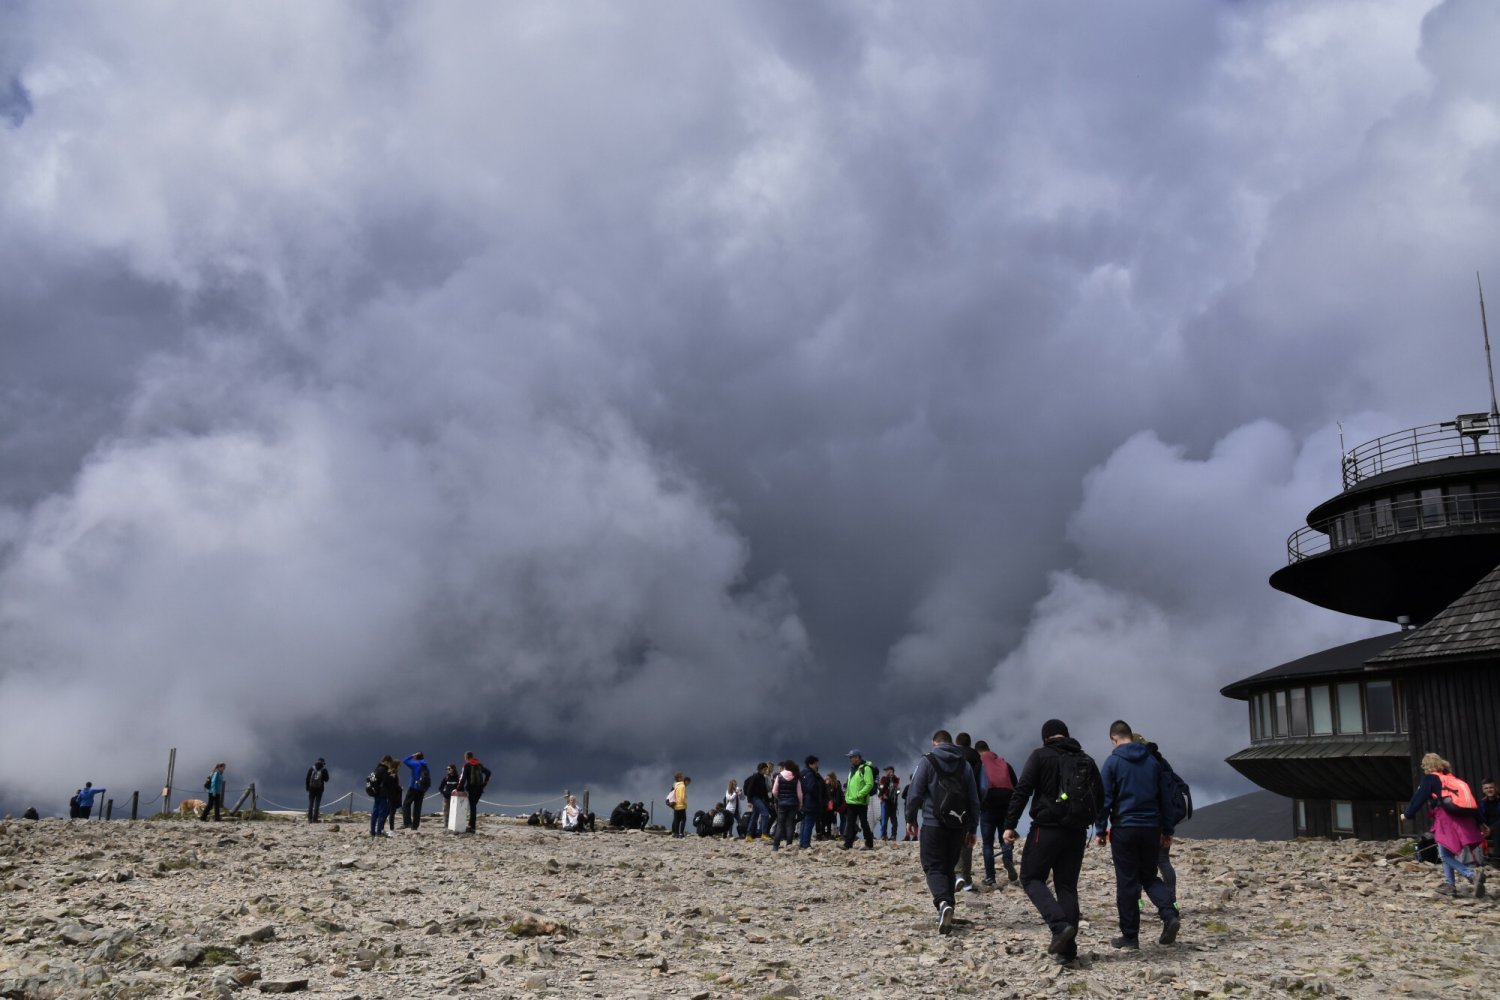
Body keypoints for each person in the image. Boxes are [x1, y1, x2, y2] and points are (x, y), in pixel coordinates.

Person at [1004, 719, 1103, 966]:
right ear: (1066, 735)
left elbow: (1023, 790)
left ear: (1045, 737)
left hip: (1046, 829)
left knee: (1030, 877)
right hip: (1078, 832)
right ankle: (1067, 952)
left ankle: (1060, 928)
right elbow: (1099, 796)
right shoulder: (1087, 760)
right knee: (1067, 886)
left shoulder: (1040, 756)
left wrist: (1010, 824)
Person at [1094, 720, 1180, 949]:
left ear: (1113, 738)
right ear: (1130, 736)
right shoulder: (1152, 762)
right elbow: (1166, 799)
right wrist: (1168, 830)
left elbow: (1105, 799)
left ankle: (1130, 936)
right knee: (1150, 876)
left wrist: (1100, 830)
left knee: (1127, 882)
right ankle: (1170, 913)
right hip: (1152, 827)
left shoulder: (1112, 762)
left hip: (1125, 828)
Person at [905, 730, 980, 935]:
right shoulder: (964, 765)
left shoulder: (927, 761)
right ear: (951, 743)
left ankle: (943, 903)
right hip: (958, 825)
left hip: (933, 823)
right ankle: (948, 911)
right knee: (948, 867)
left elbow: (915, 792)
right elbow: (974, 799)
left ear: (934, 743)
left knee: (933, 866)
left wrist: (910, 818)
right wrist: (972, 828)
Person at [1402, 753, 1486, 897]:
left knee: (1444, 854)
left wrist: (1407, 814)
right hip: (1463, 818)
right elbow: (1471, 802)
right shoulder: (1453, 779)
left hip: (1446, 819)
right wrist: (1481, 822)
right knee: (1446, 852)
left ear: (1427, 766)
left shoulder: (1430, 778)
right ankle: (1450, 885)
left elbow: (1419, 797)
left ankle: (1471, 874)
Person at [975, 739, 1018, 885]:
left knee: (987, 843)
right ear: (989, 749)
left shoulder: (979, 764)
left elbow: (974, 786)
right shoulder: (1004, 763)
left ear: (977, 752)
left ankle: (990, 877)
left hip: (988, 806)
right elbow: (1016, 785)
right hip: (1006, 805)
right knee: (1004, 838)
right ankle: (1007, 860)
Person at [953, 733, 984, 891]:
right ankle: (967, 880)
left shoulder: (952, 755)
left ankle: (957, 874)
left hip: (954, 802)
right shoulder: (977, 758)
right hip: (972, 801)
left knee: (955, 836)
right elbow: (983, 784)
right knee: (969, 840)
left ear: (956, 743)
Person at [842, 750, 878, 850]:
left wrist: (859, 794)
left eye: (851, 757)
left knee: (863, 823)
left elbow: (869, 784)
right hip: (851, 801)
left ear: (857, 757)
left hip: (860, 801)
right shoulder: (852, 769)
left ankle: (869, 843)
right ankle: (847, 844)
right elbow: (850, 784)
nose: (849, 759)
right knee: (850, 823)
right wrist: (847, 796)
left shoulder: (866, 769)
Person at [771, 759, 802, 850]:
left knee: (780, 824)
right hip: (793, 804)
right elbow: (800, 794)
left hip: (782, 804)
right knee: (790, 824)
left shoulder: (779, 776)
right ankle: (789, 844)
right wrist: (800, 804)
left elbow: (774, 791)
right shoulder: (796, 777)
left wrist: (779, 797)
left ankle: (775, 845)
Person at [458, 751, 490, 834]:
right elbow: (488, 772)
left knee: (472, 808)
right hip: (479, 789)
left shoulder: (466, 765)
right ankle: (471, 825)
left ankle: (472, 827)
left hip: (471, 789)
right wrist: (484, 784)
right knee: (473, 807)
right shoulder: (479, 764)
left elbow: (463, 778)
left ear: (466, 757)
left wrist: (459, 788)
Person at [798, 756, 826, 849]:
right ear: (811, 763)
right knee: (809, 823)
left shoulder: (802, 773)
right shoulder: (810, 774)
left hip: (805, 801)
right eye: (816, 763)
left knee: (804, 822)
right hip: (811, 802)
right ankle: (806, 844)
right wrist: (817, 797)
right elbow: (811, 788)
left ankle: (802, 842)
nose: (817, 765)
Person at [402, 752, 431, 830]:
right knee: (417, 807)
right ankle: (415, 826)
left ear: (416, 757)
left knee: (406, 804)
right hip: (422, 789)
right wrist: (425, 790)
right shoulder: (425, 766)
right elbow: (428, 780)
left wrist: (412, 755)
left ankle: (407, 823)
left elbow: (404, 760)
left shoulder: (415, 764)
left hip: (413, 787)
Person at [369, 757, 397, 838]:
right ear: (386, 761)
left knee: (375, 813)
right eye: (389, 763)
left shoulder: (377, 768)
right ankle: (379, 832)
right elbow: (385, 781)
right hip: (382, 794)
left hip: (376, 794)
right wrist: (391, 776)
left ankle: (372, 831)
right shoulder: (383, 769)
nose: (389, 765)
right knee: (382, 813)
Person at [745, 763, 773, 840]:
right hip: (755, 798)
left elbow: (764, 791)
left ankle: (748, 835)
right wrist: (749, 801)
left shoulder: (763, 778)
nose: (766, 770)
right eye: (765, 769)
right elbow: (749, 789)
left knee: (754, 816)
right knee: (765, 814)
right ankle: (764, 834)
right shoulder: (755, 777)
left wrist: (768, 800)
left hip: (760, 798)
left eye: (766, 769)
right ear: (761, 769)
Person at [1478, 779, 1500, 868]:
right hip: (1487, 829)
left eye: (1491, 787)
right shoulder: (1482, 803)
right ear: (1483, 790)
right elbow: (1479, 818)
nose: (1489, 790)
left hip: (1496, 828)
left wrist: (1490, 828)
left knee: (1497, 829)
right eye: (1486, 788)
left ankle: (1497, 859)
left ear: (1495, 788)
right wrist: (1482, 828)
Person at [877, 767, 902, 841]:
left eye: (887, 770)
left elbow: (882, 788)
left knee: (887, 819)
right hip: (891, 802)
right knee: (891, 820)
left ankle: (887, 835)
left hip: (888, 802)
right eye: (886, 771)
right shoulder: (894, 779)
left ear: (892, 771)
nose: (886, 772)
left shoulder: (890, 779)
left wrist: (881, 795)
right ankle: (888, 835)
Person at [306, 758, 329, 823]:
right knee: (317, 804)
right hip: (320, 789)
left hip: (311, 788)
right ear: (323, 763)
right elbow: (327, 779)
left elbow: (307, 779)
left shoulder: (311, 768)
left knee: (311, 803)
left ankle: (309, 819)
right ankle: (315, 819)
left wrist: (307, 788)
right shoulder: (324, 770)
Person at [821, 771, 844, 840]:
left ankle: (829, 834)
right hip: (827, 805)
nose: (827, 779)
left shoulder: (836, 785)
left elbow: (838, 797)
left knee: (831, 820)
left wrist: (836, 809)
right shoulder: (827, 785)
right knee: (825, 820)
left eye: (828, 778)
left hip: (833, 805)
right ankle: (825, 834)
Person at [669, 773, 690, 839]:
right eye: (681, 777)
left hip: (675, 805)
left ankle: (676, 833)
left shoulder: (675, 785)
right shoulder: (682, 786)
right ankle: (681, 834)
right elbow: (682, 797)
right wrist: (685, 804)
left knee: (676, 820)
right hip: (681, 805)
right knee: (683, 820)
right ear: (679, 778)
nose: (682, 778)